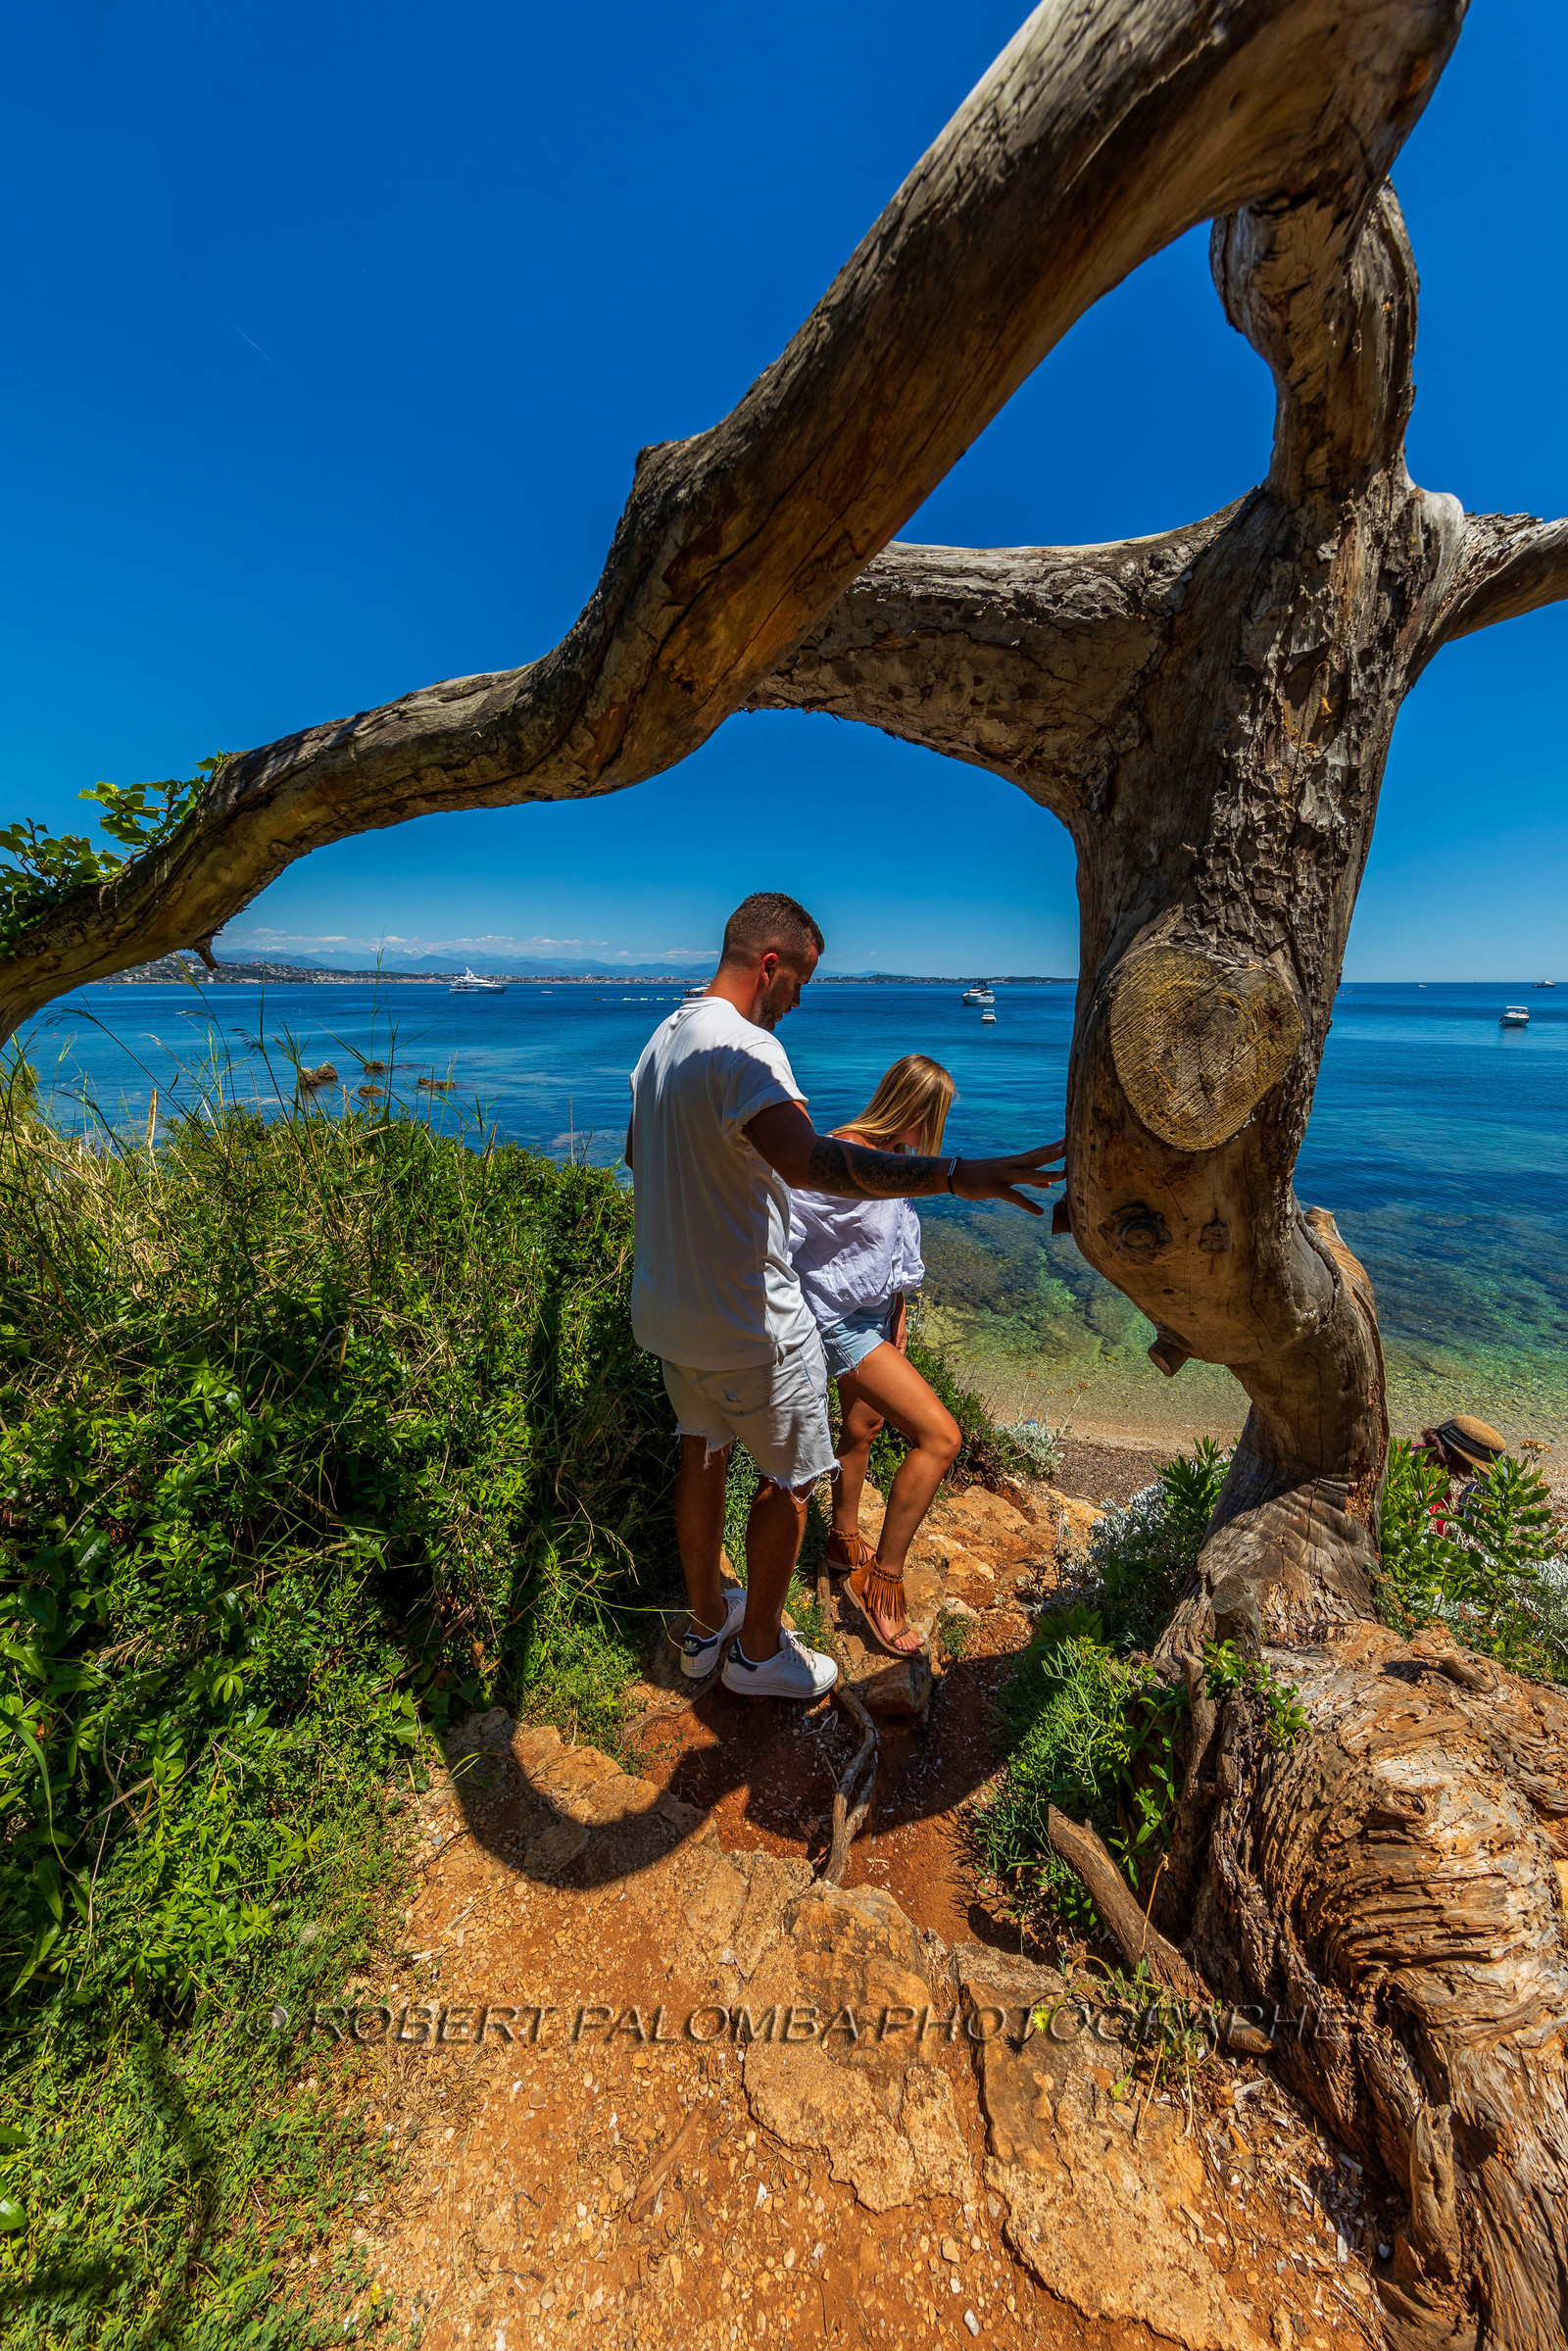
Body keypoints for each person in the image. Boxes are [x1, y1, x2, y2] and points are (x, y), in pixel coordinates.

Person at [625, 891, 1062, 1702]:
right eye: (800, 981)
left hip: (669, 1308)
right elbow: (814, 1164)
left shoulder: (663, 1043)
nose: (800, 999)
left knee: (703, 1453)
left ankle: (703, 1628)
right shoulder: (747, 1049)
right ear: (769, 965)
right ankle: (759, 1650)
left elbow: (641, 1158)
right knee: (790, 1483)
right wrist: (956, 1175)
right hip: (750, 1319)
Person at [789, 1055, 958, 1656]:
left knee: (862, 1428)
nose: (936, 1129)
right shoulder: (844, 1155)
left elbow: (895, 1250)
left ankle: (841, 1541)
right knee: (940, 1438)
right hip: (838, 1321)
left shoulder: (895, 1164)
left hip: (875, 1317)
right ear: (913, 1108)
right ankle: (882, 1584)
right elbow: (785, 1229)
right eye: (934, 1115)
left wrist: (899, 1319)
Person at [1414, 1414, 1506, 1531]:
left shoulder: (1418, 1452)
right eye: (1476, 1468)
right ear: (1462, 1462)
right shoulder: (1419, 1484)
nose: (1475, 1473)